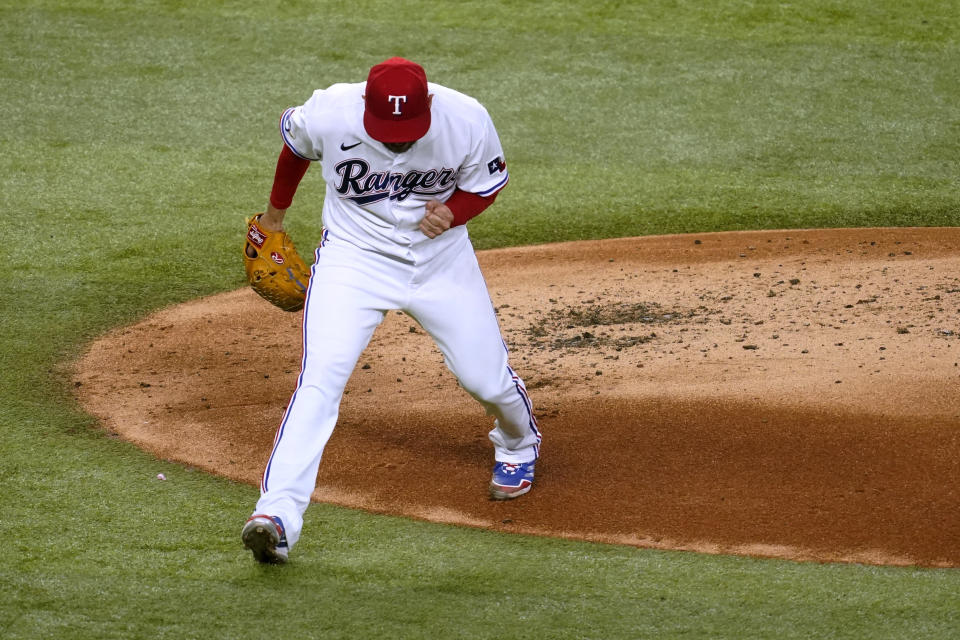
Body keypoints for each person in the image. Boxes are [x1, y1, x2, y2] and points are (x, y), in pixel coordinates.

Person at [241, 57, 542, 564]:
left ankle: (518, 443)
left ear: (428, 107)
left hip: (441, 260)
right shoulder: (330, 110)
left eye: (407, 132)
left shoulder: (466, 119)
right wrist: (275, 215)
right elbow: (294, 148)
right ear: (364, 108)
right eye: (388, 132)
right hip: (352, 261)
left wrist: (455, 211)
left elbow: (490, 181)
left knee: (485, 381)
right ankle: (277, 516)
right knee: (319, 381)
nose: (398, 141)